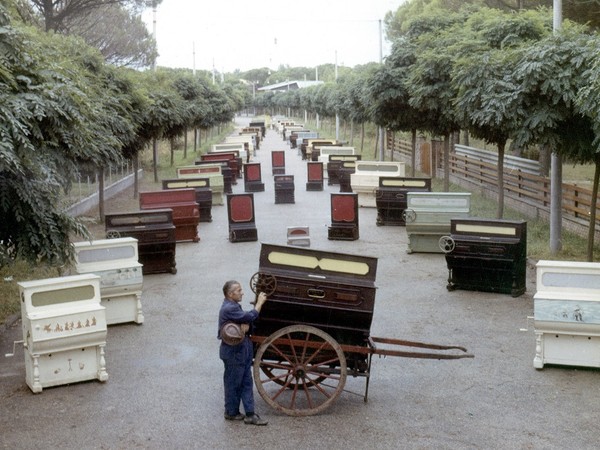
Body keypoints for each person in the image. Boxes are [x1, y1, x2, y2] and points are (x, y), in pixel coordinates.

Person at [218, 280, 268, 426]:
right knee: (238, 382)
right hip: (235, 351)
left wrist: (245, 322)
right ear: (230, 294)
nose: (242, 292)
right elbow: (249, 317)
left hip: (239, 348)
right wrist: (259, 303)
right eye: (239, 290)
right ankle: (242, 413)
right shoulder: (229, 308)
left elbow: (246, 318)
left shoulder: (232, 306)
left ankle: (236, 412)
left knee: (240, 381)